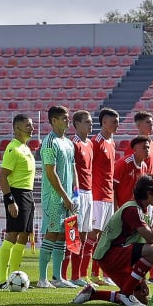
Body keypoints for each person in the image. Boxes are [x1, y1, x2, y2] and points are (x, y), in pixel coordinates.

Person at [72, 174, 153, 306]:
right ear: (149, 193)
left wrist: (143, 280)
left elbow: (140, 247)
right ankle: (126, 294)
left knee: (142, 299)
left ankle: (93, 294)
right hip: (111, 255)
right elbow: (152, 239)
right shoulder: (132, 209)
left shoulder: (139, 210)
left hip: (117, 255)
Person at [39, 105, 76, 289]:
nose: (67, 121)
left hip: (68, 196)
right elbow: (51, 173)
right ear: (53, 120)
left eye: (68, 118)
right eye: (64, 118)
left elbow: (72, 167)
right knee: (52, 233)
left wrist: (74, 194)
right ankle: (41, 278)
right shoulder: (49, 142)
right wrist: (64, 196)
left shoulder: (69, 143)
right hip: (53, 197)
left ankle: (58, 277)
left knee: (62, 235)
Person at [0, 114, 36, 288]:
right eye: (28, 125)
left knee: (24, 235)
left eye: (32, 125)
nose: (32, 128)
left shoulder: (25, 148)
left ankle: (14, 277)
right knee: (12, 234)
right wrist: (9, 200)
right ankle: (1, 279)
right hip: (16, 195)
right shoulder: (13, 148)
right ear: (17, 128)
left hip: (27, 195)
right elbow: (3, 176)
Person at [86, 108, 120, 286]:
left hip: (108, 196)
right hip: (97, 195)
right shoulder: (95, 142)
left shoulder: (111, 143)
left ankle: (97, 273)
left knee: (105, 237)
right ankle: (84, 274)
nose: (117, 125)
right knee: (94, 234)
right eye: (114, 121)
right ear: (104, 122)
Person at [66, 110, 95, 283]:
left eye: (91, 122)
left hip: (89, 193)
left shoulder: (90, 144)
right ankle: (61, 276)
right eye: (87, 122)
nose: (90, 125)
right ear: (76, 124)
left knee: (83, 236)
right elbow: (71, 170)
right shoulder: (73, 144)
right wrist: (74, 193)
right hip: (77, 193)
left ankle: (77, 276)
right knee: (72, 236)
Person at [114, 135, 152, 207]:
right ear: (135, 149)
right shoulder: (124, 163)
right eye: (144, 147)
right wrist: (115, 207)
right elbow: (113, 186)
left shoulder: (144, 166)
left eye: (148, 147)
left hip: (136, 208)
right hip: (122, 207)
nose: (147, 150)